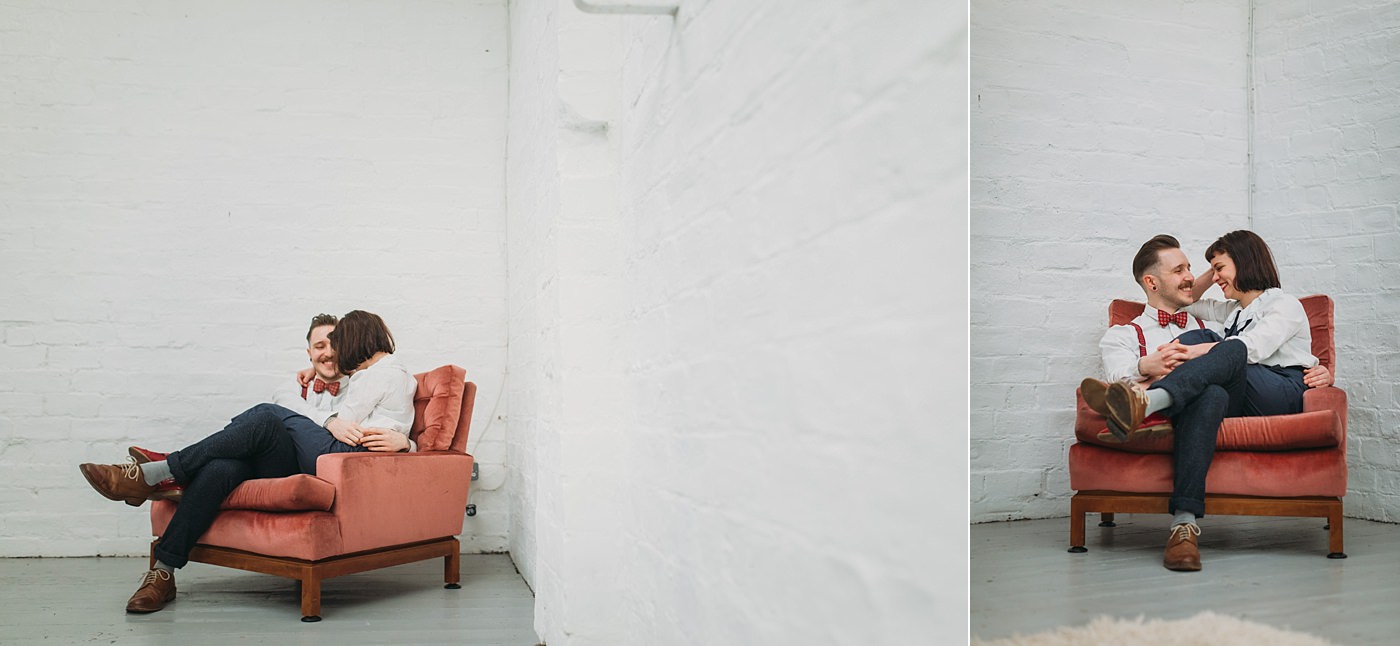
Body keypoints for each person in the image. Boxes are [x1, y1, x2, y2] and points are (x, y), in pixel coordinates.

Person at [78, 310, 416, 613]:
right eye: (318, 346)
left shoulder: (362, 379)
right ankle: (162, 573)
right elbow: (289, 406)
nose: (327, 353)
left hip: (311, 468)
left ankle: (160, 472)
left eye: (334, 344)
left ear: (347, 345)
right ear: (309, 353)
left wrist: (407, 443)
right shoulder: (293, 387)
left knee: (266, 417)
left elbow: (393, 417)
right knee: (222, 468)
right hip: (274, 462)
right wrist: (326, 419)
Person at [1080, 232, 1332, 572]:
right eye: (1188, 270)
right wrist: (1145, 365)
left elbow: (1251, 348)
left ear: (1242, 264)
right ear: (1151, 282)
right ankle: (1183, 526)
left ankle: (1148, 403)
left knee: (1222, 343)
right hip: (1236, 393)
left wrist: (1192, 352)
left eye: (1217, 268)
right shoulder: (1227, 314)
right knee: (1210, 392)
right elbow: (1191, 298)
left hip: (1277, 388)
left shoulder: (1281, 304)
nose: (1209, 277)